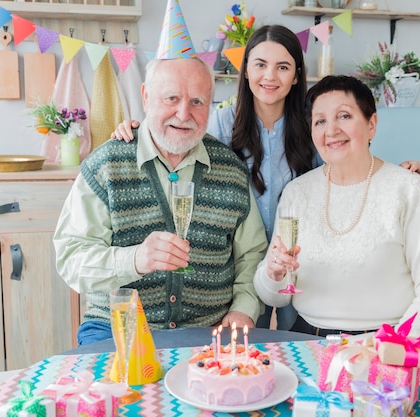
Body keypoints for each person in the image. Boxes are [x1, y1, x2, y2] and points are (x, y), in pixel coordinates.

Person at [111, 25, 420, 330]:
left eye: (282, 67)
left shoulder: (315, 128)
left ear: (295, 76)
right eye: (260, 64)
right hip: (239, 265)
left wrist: (396, 174)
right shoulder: (220, 123)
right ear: (245, 69)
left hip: (299, 263)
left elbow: (351, 165)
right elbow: (177, 139)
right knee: (248, 348)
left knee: (296, 341)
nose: (269, 76)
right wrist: (139, 130)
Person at [253, 75, 420, 394]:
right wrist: (274, 273)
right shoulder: (297, 193)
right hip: (311, 348)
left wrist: (389, 351)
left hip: (391, 349)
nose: (331, 130)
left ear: (371, 124)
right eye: (320, 120)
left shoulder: (408, 188)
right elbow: (274, 296)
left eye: (344, 116)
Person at [53, 57, 268, 345]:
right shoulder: (106, 165)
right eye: (172, 98)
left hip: (209, 331)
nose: (183, 113)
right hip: (116, 329)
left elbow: (252, 255)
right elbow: (71, 258)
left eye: (197, 102)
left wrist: (244, 309)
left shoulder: (231, 171)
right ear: (145, 96)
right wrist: (135, 260)